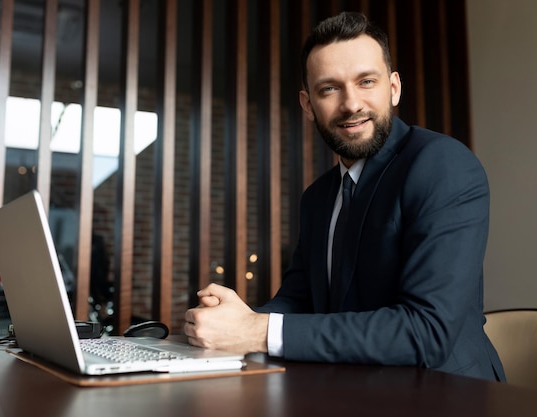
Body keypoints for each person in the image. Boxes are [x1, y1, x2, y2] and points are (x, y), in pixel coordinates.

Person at [183, 12, 505, 381]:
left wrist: (258, 332)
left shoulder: (443, 165)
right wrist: (238, 318)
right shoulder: (318, 197)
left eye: (366, 81)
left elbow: (426, 332)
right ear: (308, 105)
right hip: (347, 387)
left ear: (394, 88)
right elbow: (299, 301)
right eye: (329, 89)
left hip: (447, 393)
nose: (351, 104)